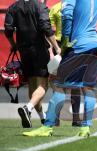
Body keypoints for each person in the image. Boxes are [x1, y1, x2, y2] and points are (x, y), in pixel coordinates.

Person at [22, 0, 97, 137]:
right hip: (94, 45)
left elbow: (67, 14)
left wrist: (66, 40)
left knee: (60, 86)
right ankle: (85, 128)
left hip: (77, 45)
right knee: (87, 88)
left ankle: (47, 127)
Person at [4, 0, 61, 128]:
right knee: (43, 86)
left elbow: (8, 30)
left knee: (32, 87)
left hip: (24, 51)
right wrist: (56, 47)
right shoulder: (40, 6)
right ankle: (28, 108)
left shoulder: (13, 7)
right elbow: (46, 27)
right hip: (39, 51)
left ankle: (42, 118)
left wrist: (14, 45)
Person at [49, 2, 81, 127]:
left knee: (65, 83)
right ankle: (72, 118)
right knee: (69, 83)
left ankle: (61, 118)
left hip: (68, 46)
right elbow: (47, 29)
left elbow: (47, 30)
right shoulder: (78, 7)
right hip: (66, 46)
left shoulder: (56, 8)